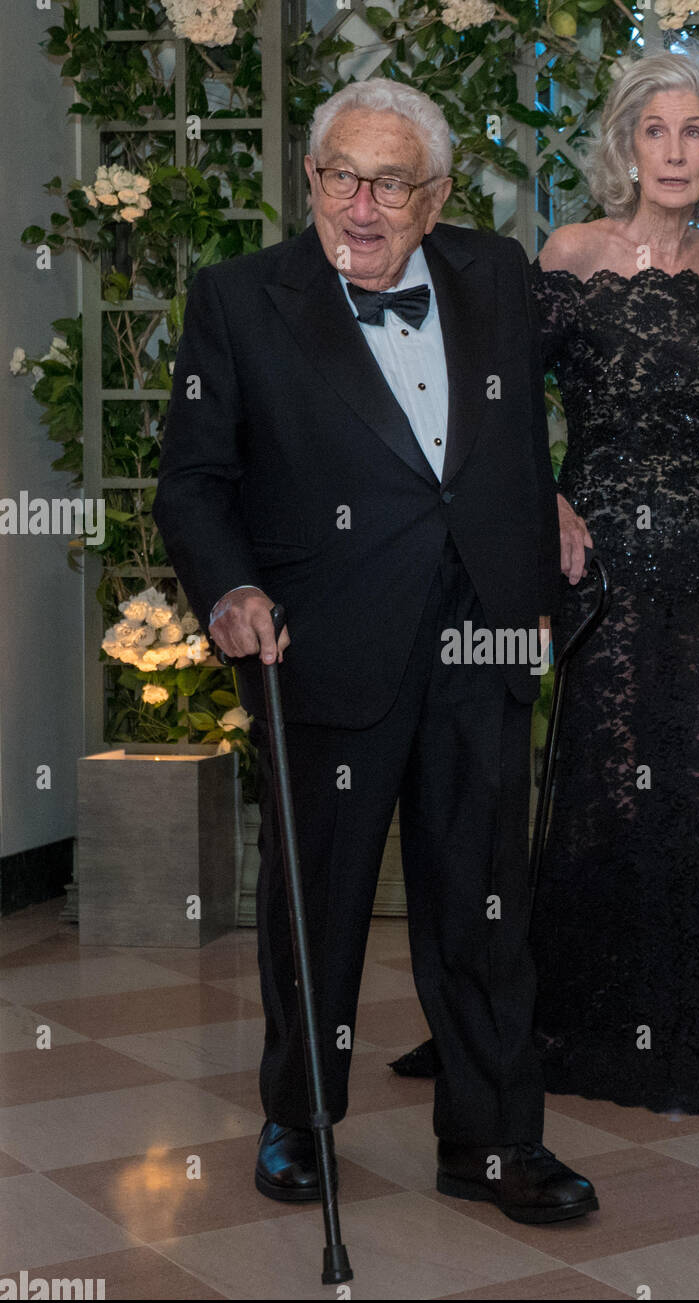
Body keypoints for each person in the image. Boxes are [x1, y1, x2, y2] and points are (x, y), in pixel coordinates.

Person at [152, 77, 598, 1225]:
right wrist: (232, 586)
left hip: (482, 630)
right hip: (323, 643)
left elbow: (531, 418)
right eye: (338, 176)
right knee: (320, 901)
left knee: (485, 904)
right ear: (308, 179)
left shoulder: (495, 274)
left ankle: (493, 1140)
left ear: (434, 195)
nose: (359, 205)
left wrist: (545, 504)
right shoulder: (239, 301)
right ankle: (300, 1116)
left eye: (389, 183)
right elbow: (195, 481)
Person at [392, 47, 699, 1116]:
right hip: (610, 561)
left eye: (695, 132)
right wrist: (545, 502)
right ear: (625, 144)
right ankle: (586, 1025)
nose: (677, 151)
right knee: (609, 789)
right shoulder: (572, 252)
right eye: (656, 131)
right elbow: (497, 398)